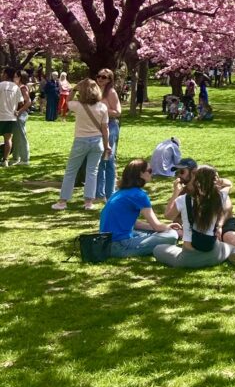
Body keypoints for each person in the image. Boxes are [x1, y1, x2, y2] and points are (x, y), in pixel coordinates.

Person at [155, 164, 235, 268]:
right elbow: (229, 184)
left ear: (196, 180)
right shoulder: (220, 196)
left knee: (158, 249)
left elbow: (168, 215)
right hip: (215, 254)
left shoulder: (184, 199)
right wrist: (218, 181)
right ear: (214, 180)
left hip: (188, 259)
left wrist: (176, 192)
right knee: (229, 247)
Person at [99, 158, 181, 258]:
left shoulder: (118, 193)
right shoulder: (139, 195)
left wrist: (162, 229)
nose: (152, 173)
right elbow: (157, 226)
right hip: (121, 245)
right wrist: (168, 229)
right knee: (171, 236)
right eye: (150, 171)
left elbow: (135, 224)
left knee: (152, 233)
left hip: (107, 242)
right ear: (140, 174)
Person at [52, 78, 111, 210]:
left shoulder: (78, 106)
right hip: (97, 141)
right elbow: (105, 129)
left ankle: (63, 201)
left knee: (71, 171)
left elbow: (67, 102)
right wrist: (107, 145)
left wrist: (74, 89)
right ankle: (88, 202)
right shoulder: (102, 107)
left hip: (81, 140)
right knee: (92, 172)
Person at [95, 68, 121, 200]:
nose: (100, 79)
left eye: (104, 77)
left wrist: (102, 109)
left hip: (110, 125)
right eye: (99, 76)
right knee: (99, 160)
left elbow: (118, 112)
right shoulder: (95, 91)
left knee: (108, 159)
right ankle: (99, 193)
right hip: (97, 126)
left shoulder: (111, 92)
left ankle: (110, 192)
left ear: (110, 79)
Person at [0, 66, 22, 167]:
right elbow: (21, 102)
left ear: (5, 74)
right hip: (11, 117)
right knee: (8, 139)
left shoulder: (0, 85)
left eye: (2, 73)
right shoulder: (16, 87)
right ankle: (5, 160)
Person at [10, 70, 31, 165]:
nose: (14, 78)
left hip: (21, 114)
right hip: (16, 114)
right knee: (16, 136)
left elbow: (28, 102)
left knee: (21, 136)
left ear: (21, 78)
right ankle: (16, 157)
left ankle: (25, 159)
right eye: (14, 76)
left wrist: (19, 111)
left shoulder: (22, 88)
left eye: (16, 77)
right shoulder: (17, 87)